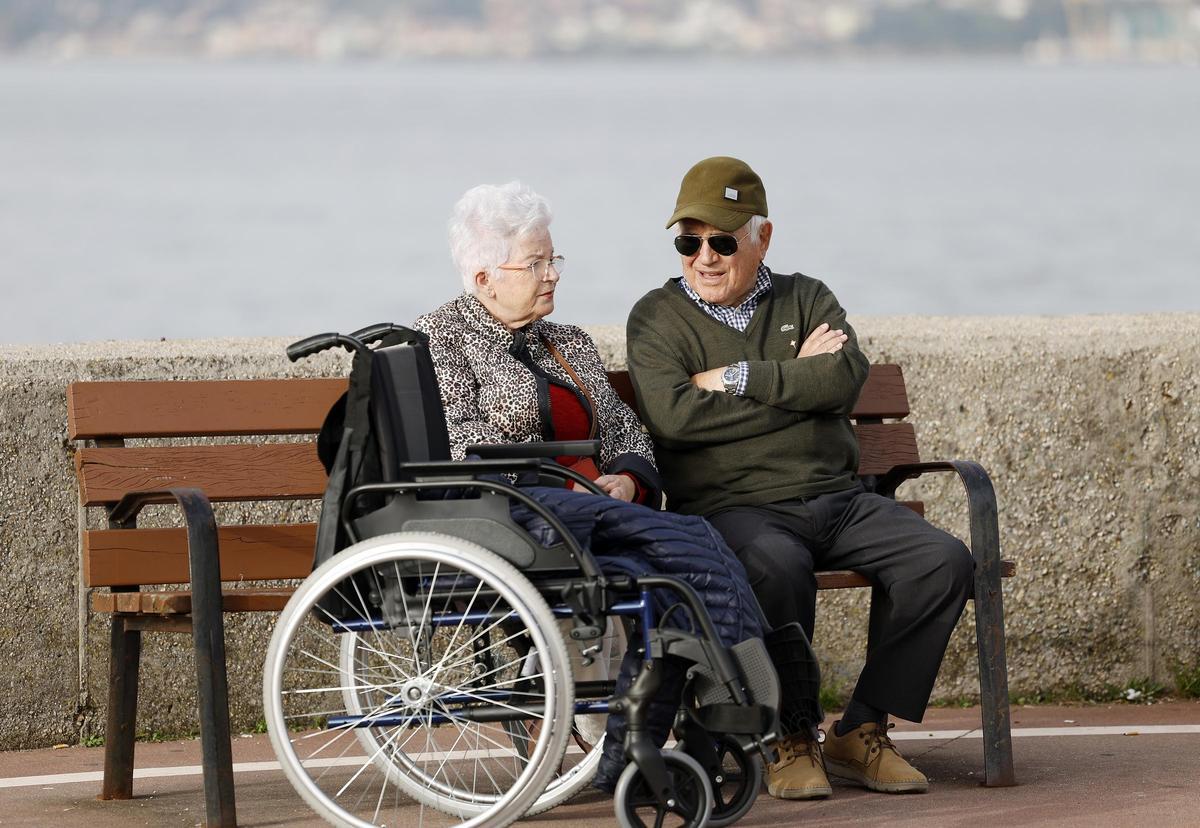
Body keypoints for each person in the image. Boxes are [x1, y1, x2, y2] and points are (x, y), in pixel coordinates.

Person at [626, 156, 975, 800]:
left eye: (723, 240)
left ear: (763, 236)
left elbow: (842, 379)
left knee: (943, 560)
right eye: (689, 241)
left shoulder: (807, 296)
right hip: (737, 507)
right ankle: (791, 736)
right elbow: (675, 419)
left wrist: (735, 379)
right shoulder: (655, 318)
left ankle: (862, 728)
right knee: (776, 568)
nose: (704, 256)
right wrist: (795, 390)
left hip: (841, 501)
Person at [413, 180, 768, 793]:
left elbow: (626, 428)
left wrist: (627, 480)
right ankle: (753, 696)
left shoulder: (565, 343)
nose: (552, 274)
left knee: (678, 574)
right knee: (695, 542)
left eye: (554, 259)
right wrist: (559, 485)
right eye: (535, 262)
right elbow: (460, 455)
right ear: (482, 278)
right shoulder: (439, 342)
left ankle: (647, 750)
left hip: (591, 517)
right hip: (515, 516)